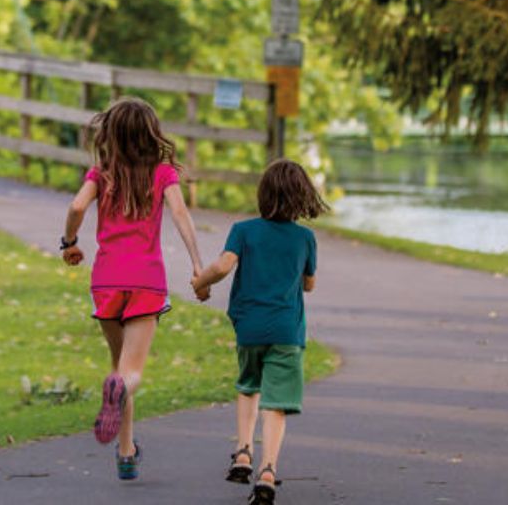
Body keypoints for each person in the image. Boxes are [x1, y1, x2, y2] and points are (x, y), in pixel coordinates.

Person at [60, 97, 205, 481]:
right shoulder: (162, 173)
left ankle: (126, 454)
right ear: (149, 133)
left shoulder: (100, 173)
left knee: (118, 370)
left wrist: (69, 242)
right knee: (130, 374)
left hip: (106, 281)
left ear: (113, 133)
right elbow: (180, 214)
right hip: (145, 281)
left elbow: (76, 207)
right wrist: (196, 263)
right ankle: (122, 433)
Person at [191, 158, 328, 505]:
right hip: (286, 331)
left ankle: (242, 453)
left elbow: (223, 266)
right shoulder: (305, 238)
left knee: (249, 385)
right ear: (303, 197)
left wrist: (200, 282)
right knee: (277, 403)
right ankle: (267, 471)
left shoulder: (243, 230)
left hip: (249, 327)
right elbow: (309, 285)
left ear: (262, 194)